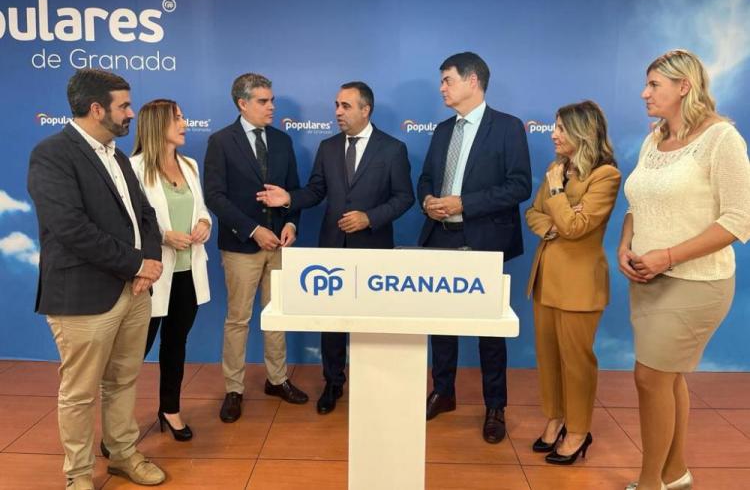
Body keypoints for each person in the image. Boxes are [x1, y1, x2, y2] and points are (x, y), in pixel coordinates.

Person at [27, 69, 166, 489]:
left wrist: (151, 262)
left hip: (134, 289)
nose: (130, 114)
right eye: (124, 106)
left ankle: (122, 453)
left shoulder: (117, 154)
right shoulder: (52, 154)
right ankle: (79, 475)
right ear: (96, 109)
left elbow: (145, 217)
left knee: (123, 380)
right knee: (80, 392)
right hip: (83, 295)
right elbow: (71, 228)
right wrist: (136, 265)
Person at [620, 49, 750, 490]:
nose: (644, 93)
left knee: (649, 377)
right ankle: (674, 473)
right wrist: (625, 247)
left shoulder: (722, 139)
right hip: (647, 279)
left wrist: (668, 256)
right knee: (667, 376)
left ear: (684, 87)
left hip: (697, 283)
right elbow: (636, 204)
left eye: (654, 84)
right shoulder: (653, 138)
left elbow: (738, 220)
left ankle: (649, 482)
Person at [257, 81, 415, 415]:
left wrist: (369, 218)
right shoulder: (328, 147)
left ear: (365, 110)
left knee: (371, 321)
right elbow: (315, 191)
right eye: (336, 105)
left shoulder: (392, 149)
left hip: (373, 250)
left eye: (345, 106)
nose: (338, 112)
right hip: (333, 250)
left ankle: (373, 382)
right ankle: (334, 382)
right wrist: (289, 198)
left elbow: (404, 197)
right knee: (332, 322)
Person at [417, 52, 532, 444]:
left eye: (447, 79)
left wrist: (465, 203)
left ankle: (495, 406)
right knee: (440, 325)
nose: (442, 88)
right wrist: (428, 200)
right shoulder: (441, 129)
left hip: (483, 242)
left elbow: (519, 186)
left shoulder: (508, 127)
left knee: (489, 331)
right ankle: (443, 391)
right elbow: (427, 178)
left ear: (473, 81)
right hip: (440, 237)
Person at [204, 73, 308, 423]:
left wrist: (291, 223)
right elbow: (214, 196)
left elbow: (293, 190)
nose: (271, 106)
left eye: (272, 100)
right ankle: (234, 389)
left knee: (275, 316)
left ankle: (277, 380)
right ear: (242, 103)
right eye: (263, 101)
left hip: (280, 244)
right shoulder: (221, 141)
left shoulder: (282, 141)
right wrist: (252, 230)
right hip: (240, 246)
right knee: (238, 319)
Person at [525, 100, 620, 465]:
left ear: (582, 132)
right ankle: (556, 420)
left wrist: (557, 197)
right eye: (554, 126)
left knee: (576, 363)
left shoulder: (605, 175)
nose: (553, 133)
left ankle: (579, 430)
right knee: (548, 359)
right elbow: (534, 213)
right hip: (545, 280)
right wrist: (553, 221)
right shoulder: (556, 169)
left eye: (561, 128)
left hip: (580, 286)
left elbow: (577, 228)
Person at [130, 99, 212, 441]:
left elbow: (201, 208)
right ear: (157, 125)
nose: (184, 123)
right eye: (178, 118)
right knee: (133, 354)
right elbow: (128, 223)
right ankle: (119, 428)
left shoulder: (190, 164)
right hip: (151, 276)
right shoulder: (132, 168)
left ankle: (170, 410)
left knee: (176, 343)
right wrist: (163, 236)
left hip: (187, 273)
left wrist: (205, 222)